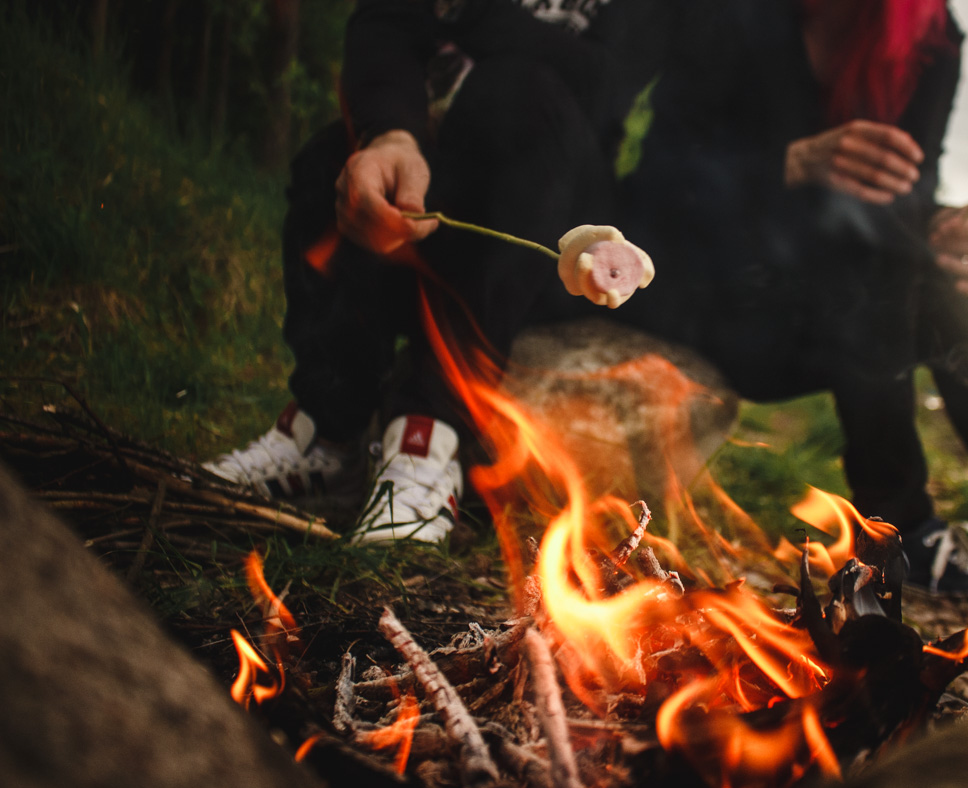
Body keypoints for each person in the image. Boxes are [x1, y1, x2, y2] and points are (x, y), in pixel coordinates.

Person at [606, 0, 968, 600]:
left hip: (841, 320)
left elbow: (909, 197)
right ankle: (899, 533)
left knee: (944, 290)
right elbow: (654, 183)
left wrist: (949, 229)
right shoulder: (726, 15)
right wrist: (792, 163)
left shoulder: (930, 37)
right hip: (703, 298)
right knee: (882, 271)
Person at [204, 0, 679, 543]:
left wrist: (465, 16)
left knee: (520, 95)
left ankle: (427, 437)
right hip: (432, 179)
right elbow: (384, 21)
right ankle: (327, 431)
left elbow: (604, 82)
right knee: (333, 160)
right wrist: (392, 136)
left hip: (547, 223)